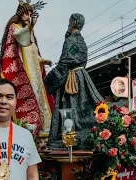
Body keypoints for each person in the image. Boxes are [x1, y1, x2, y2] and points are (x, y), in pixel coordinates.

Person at [44, 13, 104, 150]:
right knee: (83, 107)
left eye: (70, 20)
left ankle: (69, 140)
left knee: (68, 107)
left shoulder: (70, 40)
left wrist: (48, 79)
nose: (68, 22)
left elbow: (63, 64)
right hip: (82, 77)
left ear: (74, 22)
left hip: (72, 79)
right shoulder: (82, 41)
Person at [0, 0, 54, 134]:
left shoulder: (30, 32)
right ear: (20, 14)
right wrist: (31, 26)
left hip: (35, 73)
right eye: (26, 14)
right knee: (30, 95)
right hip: (25, 72)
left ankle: (44, 129)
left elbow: (34, 52)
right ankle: (30, 129)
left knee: (41, 97)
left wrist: (43, 60)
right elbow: (20, 38)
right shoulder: (15, 28)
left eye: (30, 14)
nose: (28, 17)